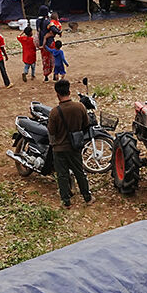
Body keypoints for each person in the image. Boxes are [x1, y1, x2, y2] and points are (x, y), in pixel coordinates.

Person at [47, 79, 92, 208]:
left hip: (59, 149)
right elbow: (86, 125)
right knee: (80, 172)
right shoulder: (80, 107)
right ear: (69, 91)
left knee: (62, 175)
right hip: (74, 147)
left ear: (57, 94)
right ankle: (87, 198)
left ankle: (66, 202)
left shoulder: (54, 112)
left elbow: (51, 131)